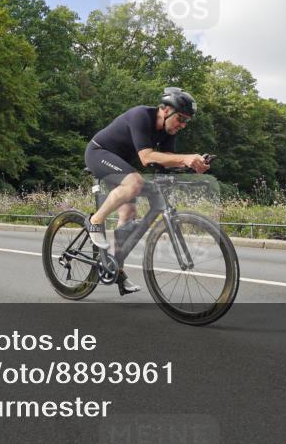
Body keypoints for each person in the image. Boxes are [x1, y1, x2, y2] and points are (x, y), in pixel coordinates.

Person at [84, 87, 211, 295]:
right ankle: (95, 222)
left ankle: (117, 270)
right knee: (135, 183)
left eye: (186, 121)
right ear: (165, 110)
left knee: (129, 214)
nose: (182, 125)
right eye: (180, 118)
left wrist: (191, 165)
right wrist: (186, 157)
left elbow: (166, 162)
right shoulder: (141, 115)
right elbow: (147, 157)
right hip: (99, 153)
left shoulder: (168, 132)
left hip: (121, 165)